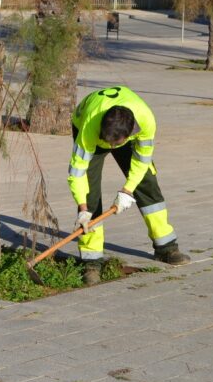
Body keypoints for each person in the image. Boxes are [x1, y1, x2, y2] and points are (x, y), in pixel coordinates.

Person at [68, 85, 190, 285]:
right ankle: (91, 262)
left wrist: (127, 190)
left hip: (124, 131)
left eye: (116, 144)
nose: (112, 148)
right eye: (109, 142)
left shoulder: (145, 121)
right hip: (86, 122)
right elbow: (77, 172)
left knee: (147, 182)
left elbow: (142, 161)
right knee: (90, 194)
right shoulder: (89, 128)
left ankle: (166, 247)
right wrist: (82, 208)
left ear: (131, 133)